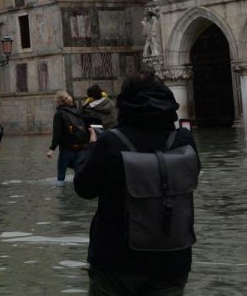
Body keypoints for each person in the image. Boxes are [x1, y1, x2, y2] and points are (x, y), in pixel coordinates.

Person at [75, 73, 197, 295]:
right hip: (172, 259)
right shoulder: (184, 140)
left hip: (115, 261)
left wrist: (91, 146)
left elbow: (84, 188)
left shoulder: (110, 142)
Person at [47, 91, 88, 183]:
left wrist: (52, 149)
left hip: (66, 149)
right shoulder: (76, 112)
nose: (56, 104)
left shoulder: (59, 114)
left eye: (56, 101)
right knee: (79, 176)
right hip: (80, 147)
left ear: (59, 102)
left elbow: (57, 133)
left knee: (61, 177)